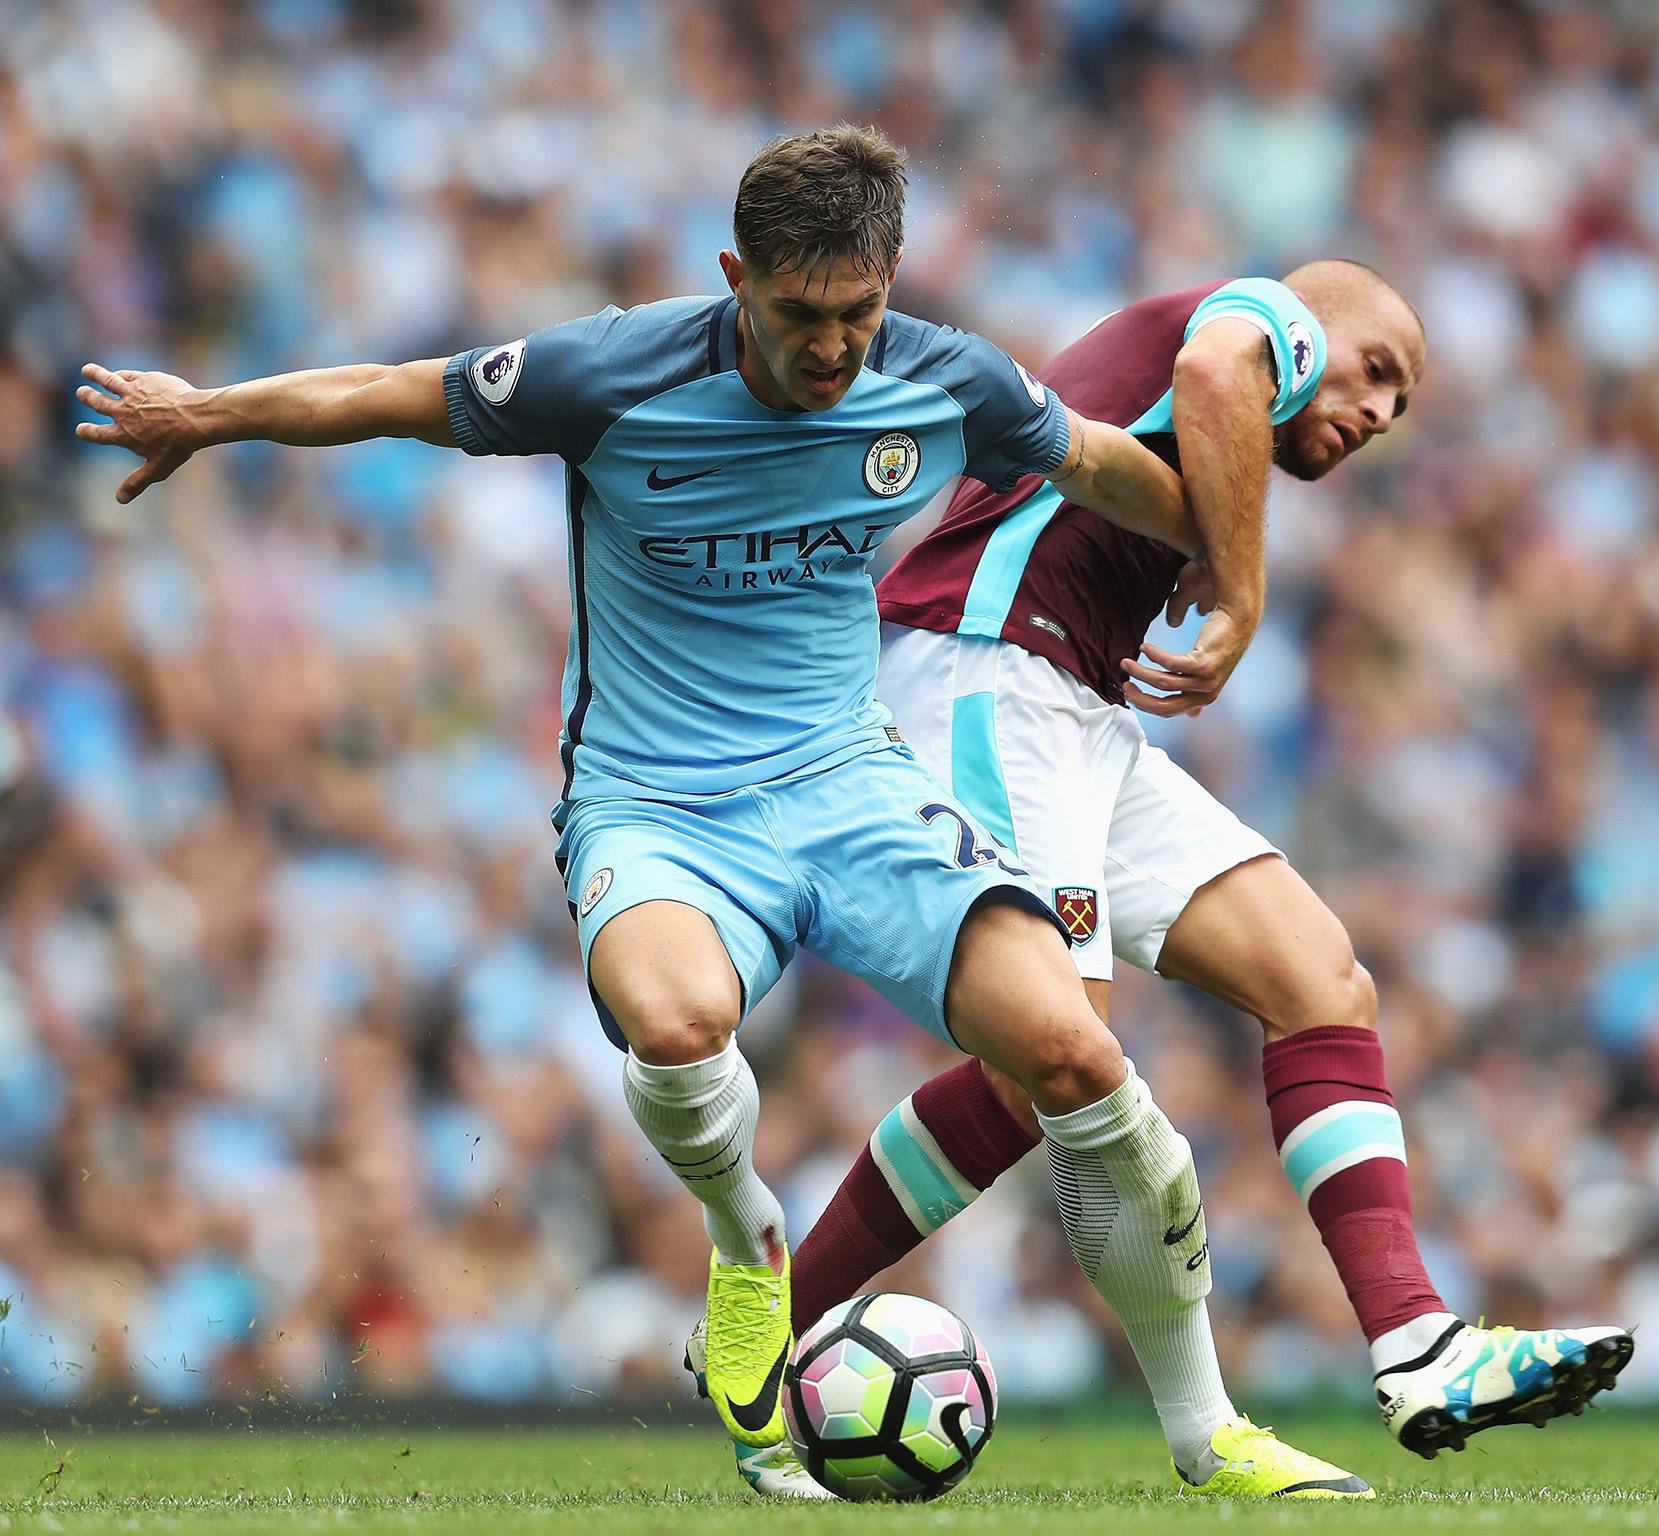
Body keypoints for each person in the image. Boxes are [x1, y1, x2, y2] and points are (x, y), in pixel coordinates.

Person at [76, 126, 1372, 1501]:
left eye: (857, 317)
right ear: (733, 278)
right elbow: (389, 393)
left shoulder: (946, 378)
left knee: (1074, 1059)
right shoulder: (608, 371)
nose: (831, 353)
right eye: (800, 317)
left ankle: (1204, 1431)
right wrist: (203, 414)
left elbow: (1112, 467)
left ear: (890, 285)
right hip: (657, 805)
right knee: (681, 1024)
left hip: (856, 788)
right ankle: (747, 1242)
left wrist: (1230, 574)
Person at [771, 262, 1631, 1487]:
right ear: (1311, 324)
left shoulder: (1210, 432)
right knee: (1055, 1067)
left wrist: (1216, 542)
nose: (1380, 414)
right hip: (988, 671)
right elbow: (1219, 367)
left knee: (1319, 980)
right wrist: (1240, 587)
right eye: (1374, 370)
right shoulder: (1253, 313)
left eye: (1403, 407)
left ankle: (1415, 1341)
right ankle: (1179, 1427)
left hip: (1073, 706)